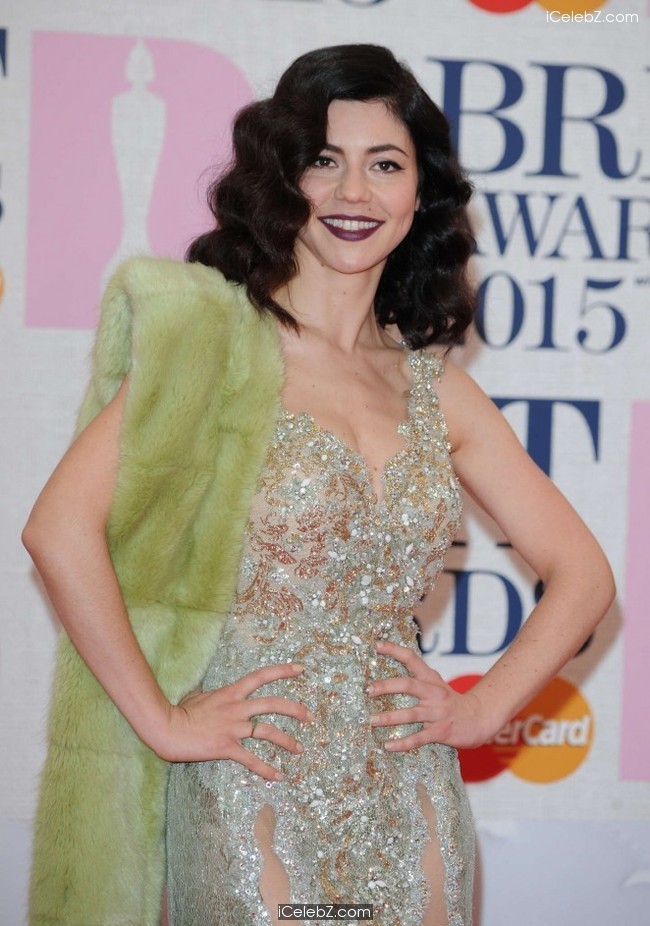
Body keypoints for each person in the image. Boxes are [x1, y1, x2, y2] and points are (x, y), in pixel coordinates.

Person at [23, 44, 615, 926]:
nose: (354, 192)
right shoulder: (217, 346)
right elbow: (57, 529)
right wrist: (165, 722)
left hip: (409, 784)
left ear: (421, 193)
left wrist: (479, 710)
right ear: (283, 180)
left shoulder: (436, 388)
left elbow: (584, 574)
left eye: (386, 165)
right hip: (252, 779)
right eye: (325, 160)